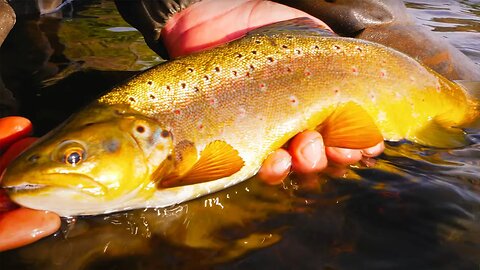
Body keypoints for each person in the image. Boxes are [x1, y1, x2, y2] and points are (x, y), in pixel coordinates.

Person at [10, 0, 472, 251]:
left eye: (74, 157)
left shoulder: (162, 157)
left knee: (457, 104)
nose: (71, 163)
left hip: (376, 62)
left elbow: (221, 163)